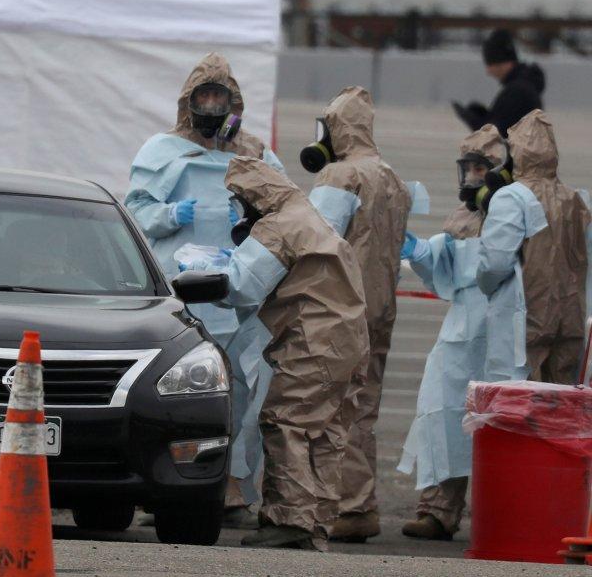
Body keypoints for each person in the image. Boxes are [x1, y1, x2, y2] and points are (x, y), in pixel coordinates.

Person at [124, 52, 283, 529]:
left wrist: (252, 221)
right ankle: (170, 482)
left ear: (234, 103)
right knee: (177, 388)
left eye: (221, 96)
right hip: (183, 289)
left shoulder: (254, 152)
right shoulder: (163, 149)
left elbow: (284, 206)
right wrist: (171, 215)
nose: (212, 105)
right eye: (205, 96)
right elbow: (137, 206)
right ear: (189, 101)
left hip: (238, 289)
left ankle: (233, 484)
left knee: (240, 387)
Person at [183, 156, 368, 550]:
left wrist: (192, 280)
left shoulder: (280, 225)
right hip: (347, 342)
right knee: (325, 431)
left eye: (240, 202)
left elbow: (242, 286)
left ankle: (289, 519)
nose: (238, 211)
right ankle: (316, 521)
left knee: (286, 420)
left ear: (255, 198)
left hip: (314, 342)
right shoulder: (312, 218)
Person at [300, 86, 413, 543]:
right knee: (364, 406)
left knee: (329, 406)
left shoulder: (341, 176)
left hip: (342, 307)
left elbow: (314, 238)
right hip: (382, 305)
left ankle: (336, 504)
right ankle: (359, 503)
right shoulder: (393, 179)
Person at [397, 125, 504, 541]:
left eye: (483, 167)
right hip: (460, 331)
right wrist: (422, 253)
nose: (474, 176)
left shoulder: (517, 213)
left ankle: (500, 515)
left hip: (501, 334)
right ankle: (437, 509)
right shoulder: (461, 218)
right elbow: (444, 272)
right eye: (470, 167)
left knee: (498, 423)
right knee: (440, 414)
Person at [477, 109, 589, 384]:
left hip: (523, 320)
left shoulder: (512, 197)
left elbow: (494, 263)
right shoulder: (575, 199)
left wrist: (486, 287)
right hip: (570, 318)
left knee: (516, 407)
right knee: (559, 407)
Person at [452, 29, 545, 137]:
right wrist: (485, 116)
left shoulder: (517, 91)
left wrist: (473, 120)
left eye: (489, 64)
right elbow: (506, 122)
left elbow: (496, 136)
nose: (488, 71)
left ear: (500, 62)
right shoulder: (523, 86)